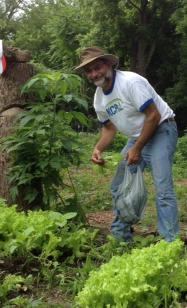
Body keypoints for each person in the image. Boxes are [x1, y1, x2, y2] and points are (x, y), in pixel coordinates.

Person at [74, 46, 180, 242]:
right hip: (137, 137)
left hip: (161, 130)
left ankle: (170, 243)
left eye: (97, 67)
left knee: (163, 190)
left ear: (109, 65)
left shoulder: (130, 83)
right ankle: (121, 238)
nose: (94, 74)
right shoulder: (99, 97)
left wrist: (137, 148)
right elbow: (109, 129)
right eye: (89, 71)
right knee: (119, 186)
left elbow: (154, 115)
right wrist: (98, 148)